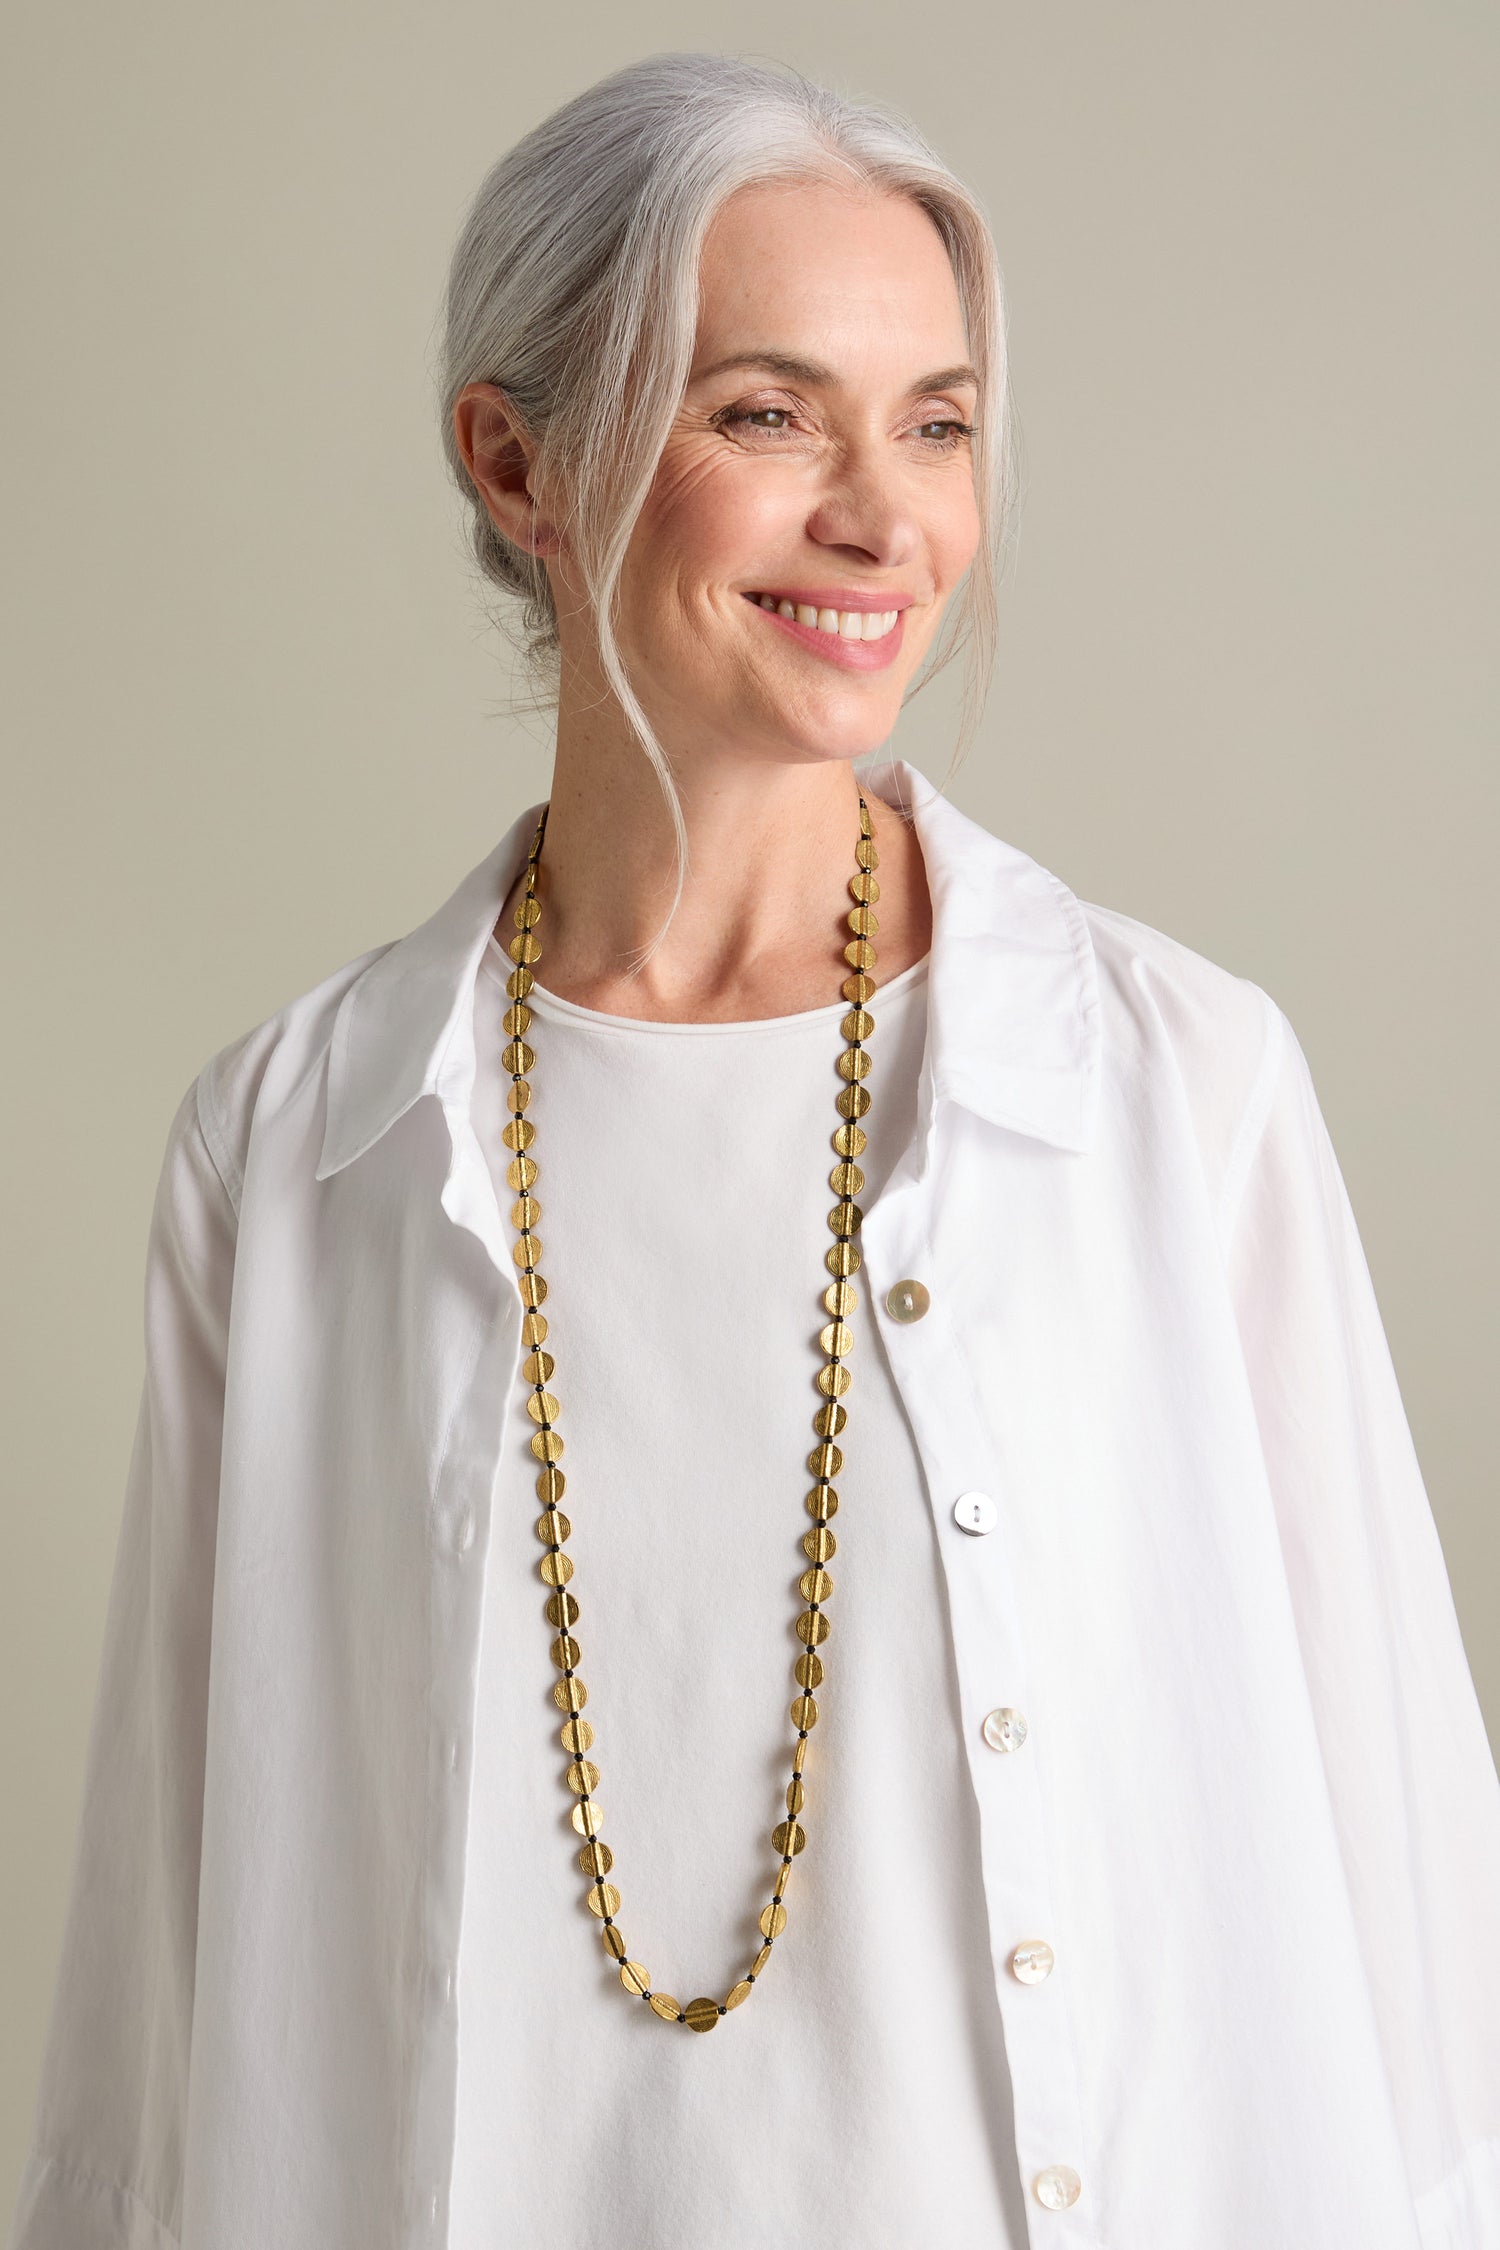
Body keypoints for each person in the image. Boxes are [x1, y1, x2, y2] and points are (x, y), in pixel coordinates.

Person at [10, 49, 1500, 2250]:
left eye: (941, 421)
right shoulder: (297, 1142)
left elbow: (1410, 1927)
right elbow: (173, 1967)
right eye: (767, 413)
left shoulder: (1177, 1088)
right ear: (519, 461)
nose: (886, 520)